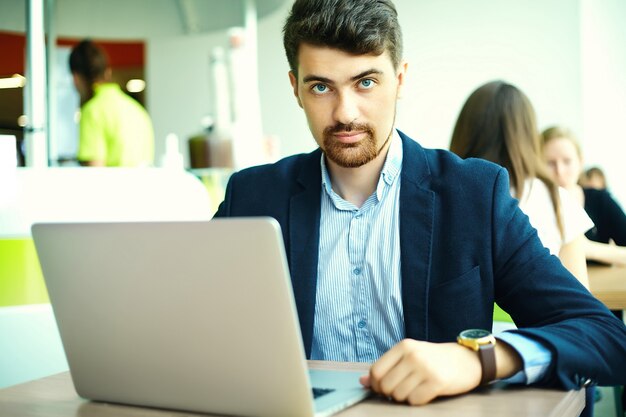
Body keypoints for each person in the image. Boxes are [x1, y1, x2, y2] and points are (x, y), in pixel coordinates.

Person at [214, 0, 626, 407]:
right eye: (321, 87)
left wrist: (478, 358)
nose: (345, 113)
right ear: (295, 89)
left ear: (400, 78)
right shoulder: (251, 197)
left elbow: (605, 337)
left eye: (366, 83)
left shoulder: (475, 195)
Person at [449, 81, 592, 288]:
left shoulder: (439, 195)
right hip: (537, 320)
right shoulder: (556, 199)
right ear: (527, 135)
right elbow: (580, 300)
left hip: (460, 321)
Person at [542, 126, 626, 265]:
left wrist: (587, 248)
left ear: (580, 162)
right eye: (550, 163)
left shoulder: (600, 200)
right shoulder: (531, 206)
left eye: (567, 161)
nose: (560, 171)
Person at [69, 39, 154, 167]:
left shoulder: (92, 111)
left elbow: (94, 172)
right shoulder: (137, 109)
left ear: (76, 78)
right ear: (107, 72)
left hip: (113, 187)